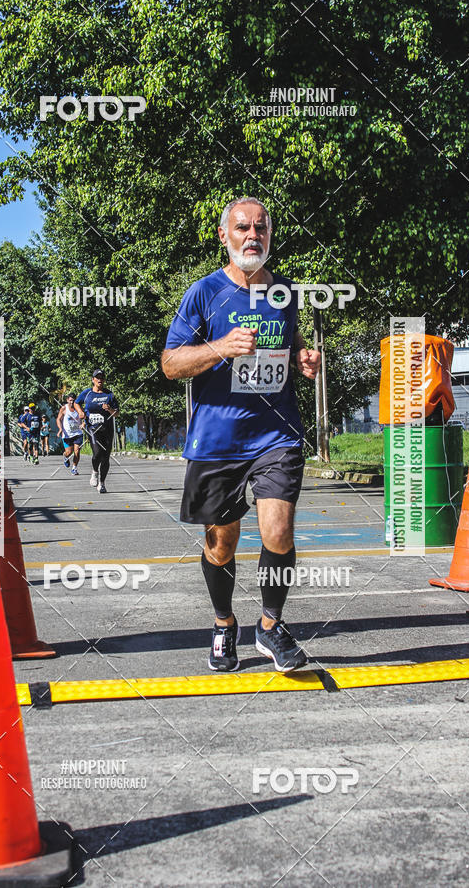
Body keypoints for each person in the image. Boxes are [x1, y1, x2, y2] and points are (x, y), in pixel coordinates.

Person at [161, 196, 321, 673]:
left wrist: (303, 360)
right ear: (224, 236)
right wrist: (217, 347)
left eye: (261, 228)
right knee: (221, 543)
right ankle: (224, 622)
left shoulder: (285, 294)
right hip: (217, 441)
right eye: (243, 228)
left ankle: (270, 627)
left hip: (277, 434)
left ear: (270, 235)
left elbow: (291, 348)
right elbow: (170, 363)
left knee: (278, 529)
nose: (254, 235)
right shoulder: (204, 293)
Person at [75, 370, 119, 493]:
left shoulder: (109, 394)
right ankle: (95, 472)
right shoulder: (87, 393)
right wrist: (80, 412)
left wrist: (109, 409)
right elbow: (77, 403)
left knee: (106, 458)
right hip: (93, 429)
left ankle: (102, 483)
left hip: (107, 429)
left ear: (104, 380)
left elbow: (117, 413)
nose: (100, 380)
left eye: (102, 377)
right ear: (93, 379)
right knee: (97, 453)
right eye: (97, 377)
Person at [56, 393, 84, 476]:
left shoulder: (78, 408)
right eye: (70, 400)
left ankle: (74, 468)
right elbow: (58, 419)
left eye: (73, 400)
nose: (72, 402)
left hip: (78, 433)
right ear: (67, 400)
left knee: (77, 451)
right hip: (67, 434)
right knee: (69, 452)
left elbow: (85, 417)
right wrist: (60, 429)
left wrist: (83, 424)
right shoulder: (64, 408)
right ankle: (65, 456)